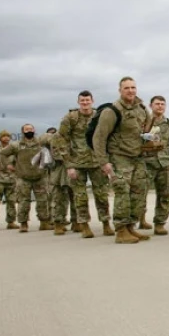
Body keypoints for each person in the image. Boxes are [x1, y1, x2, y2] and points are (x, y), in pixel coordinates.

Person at [92, 76, 152, 244]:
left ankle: (130, 227)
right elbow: (99, 137)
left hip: (137, 156)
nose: (131, 91)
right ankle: (121, 230)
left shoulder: (141, 109)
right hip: (119, 157)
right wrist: (103, 162)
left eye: (133, 87)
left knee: (139, 192)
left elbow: (146, 128)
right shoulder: (112, 111)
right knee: (122, 192)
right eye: (127, 88)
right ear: (120, 90)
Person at [56, 90, 113, 238]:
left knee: (102, 195)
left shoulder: (99, 116)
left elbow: (107, 137)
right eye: (82, 100)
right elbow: (62, 140)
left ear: (92, 101)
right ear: (78, 102)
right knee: (80, 196)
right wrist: (69, 165)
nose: (85, 103)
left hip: (97, 162)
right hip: (77, 163)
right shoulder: (71, 118)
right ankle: (84, 225)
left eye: (87, 100)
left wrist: (106, 161)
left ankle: (106, 223)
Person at [140, 95, 169, 235]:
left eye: (162, 104)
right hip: (146, 163)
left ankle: (160, 223)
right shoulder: (143, 122)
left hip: (165, 163)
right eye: (157, 104)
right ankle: (140, 218)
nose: (160, 106)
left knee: (164, 194)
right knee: (140, 193)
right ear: (151, 106)